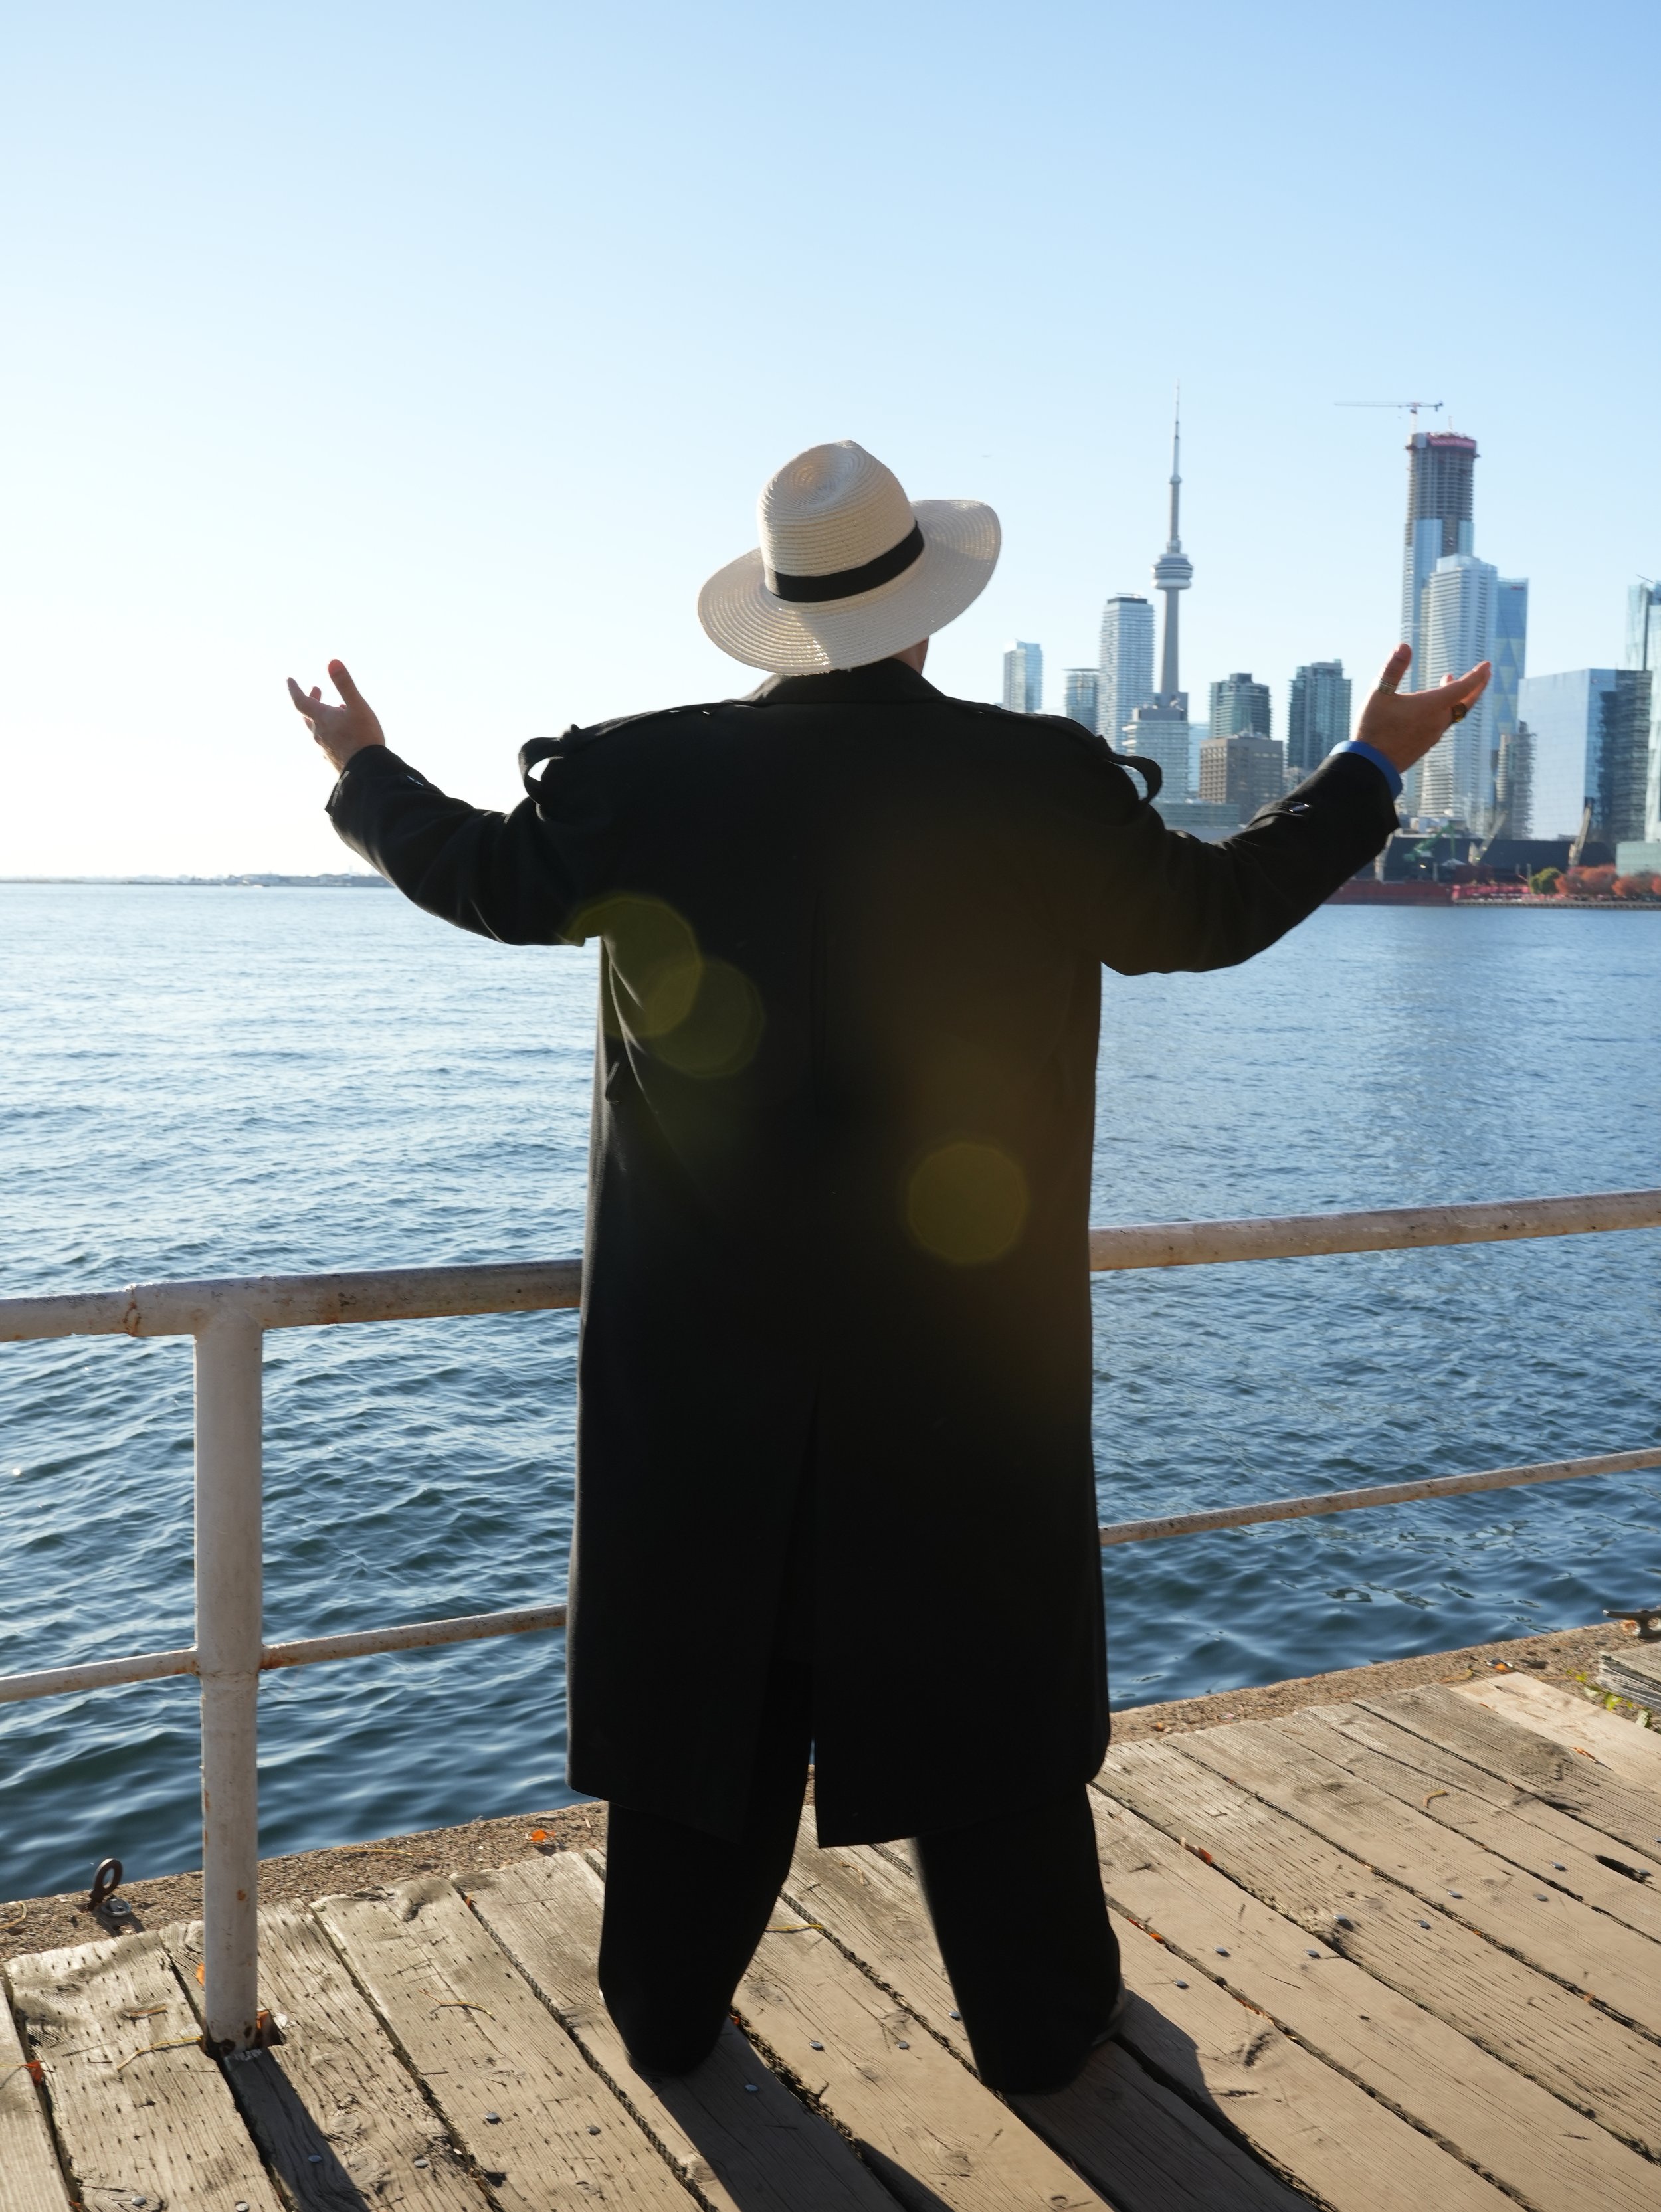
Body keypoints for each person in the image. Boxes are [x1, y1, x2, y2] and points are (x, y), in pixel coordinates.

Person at [288, 439, 1486, 2094]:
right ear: (924, 616)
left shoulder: (638, 784)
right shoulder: (1034, 780)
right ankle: (1039, 2026)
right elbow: (1212, 911)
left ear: (778, 618)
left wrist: (361, 765)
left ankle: (663, 2015)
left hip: (701, 1357)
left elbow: (479, 875)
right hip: (957, 1354)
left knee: (708, 1691)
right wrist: (1368, 759)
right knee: (984, 1699)